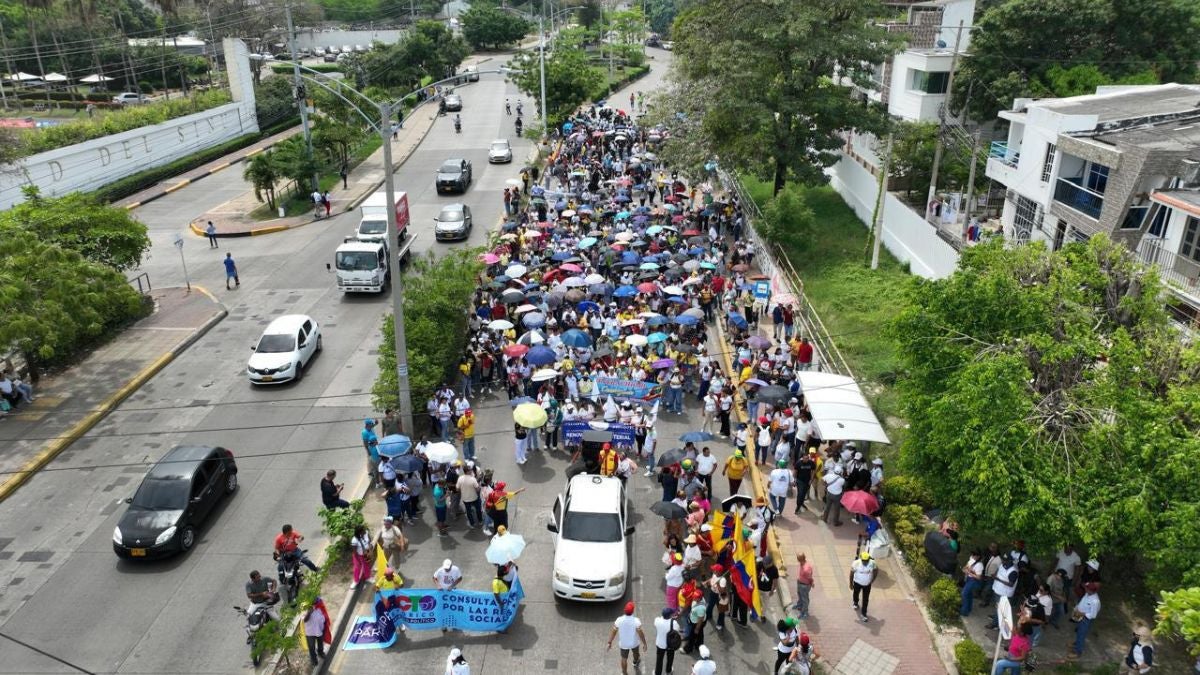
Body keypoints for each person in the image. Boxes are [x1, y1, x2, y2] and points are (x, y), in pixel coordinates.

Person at [608, 601, 647, 675]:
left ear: (624, 610)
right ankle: (635, 662)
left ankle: (624, 673)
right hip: (634, 643)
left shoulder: (619, 620)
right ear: (633, 611)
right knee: (636, 653)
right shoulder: (636, 621)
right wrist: (644, 643)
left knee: (624, 659)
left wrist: (609, 642)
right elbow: (640, 633)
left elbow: (614, 631)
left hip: (624, 644)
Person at [1069, 582, 1101, 659]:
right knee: (1078, 631)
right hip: (1080, 616)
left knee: (1081, 634)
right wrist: (1077, 608)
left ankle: (1078, 652)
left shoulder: (1095, 601)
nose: (1085, 589)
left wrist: (1082, 613)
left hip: (1085, 619)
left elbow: (1093, 615)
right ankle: (1076, 643)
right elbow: (1082, 602)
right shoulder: (1087, 594)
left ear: (1091, 591)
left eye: (1087, 588)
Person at [849, 551, 878, 623]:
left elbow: (876, 570)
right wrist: (850, 583)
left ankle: (864, 614)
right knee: (855, 594)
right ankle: (855, 603)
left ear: (869, 559)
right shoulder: (856, 563)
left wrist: (873, 580)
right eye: (864, 561)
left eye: (866, 561)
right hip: (857, 583)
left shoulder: (872, 563)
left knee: (865, 599)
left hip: (867, 585)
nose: (865, 562)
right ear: (861, 559)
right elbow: (851, 574)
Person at [653, 607, 681, 675]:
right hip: (670, 645)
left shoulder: (657, 621)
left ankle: (657, 673)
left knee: (659, 659)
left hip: (660, 644)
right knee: (670, 658)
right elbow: (677, 630)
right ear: (670, 615)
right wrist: (673, 619)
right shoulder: (674, 623)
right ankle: (668, 671)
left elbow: (658, 620)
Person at [302, 600, 330, 665]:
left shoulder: (319, 604)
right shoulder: (304, 606)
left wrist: (324, 623)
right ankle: (314, 659)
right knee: (311, 647)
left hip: (319, 629)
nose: (314, 599)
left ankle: (320, 652)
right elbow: (304, 620)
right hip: (310, 632)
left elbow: (323, 613)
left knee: (320, 643)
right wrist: (309, 612)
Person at [790, 553, 814, 619]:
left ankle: (804, 612)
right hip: (800, 582)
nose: (797, 561)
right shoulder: (802, 564)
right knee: (799, 594)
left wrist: (812, 583)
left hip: (805, 586)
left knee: (805, 599)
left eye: (798, 559)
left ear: (801, 559)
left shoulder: (806, 569)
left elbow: (810, 578)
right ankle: (800, 605)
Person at [961, 550, 985, 616]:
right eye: (972, 555)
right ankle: (968, 608)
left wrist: (969, 572)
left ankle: (964, 611)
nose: (973, 556)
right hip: (969, 579)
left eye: (974, 555)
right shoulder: (971, 560)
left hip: (973, 580)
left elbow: (979, 577)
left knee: (964, 594)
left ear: (978, 557)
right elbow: (964, 568)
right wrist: (966, 569)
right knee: (969, 595)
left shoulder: (980, 565)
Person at [350, 524, 372, 589]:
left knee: (366, 566)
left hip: (366, 553)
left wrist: (369, 547)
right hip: (358, 555)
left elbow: (369, 541)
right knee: (357, 567)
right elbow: (354, 551)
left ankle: (368, 577)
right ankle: (356, 581)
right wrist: (358, 560)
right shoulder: (354, 540)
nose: (365, 531)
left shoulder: (366, 533)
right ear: (359, 532)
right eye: (363, 530)